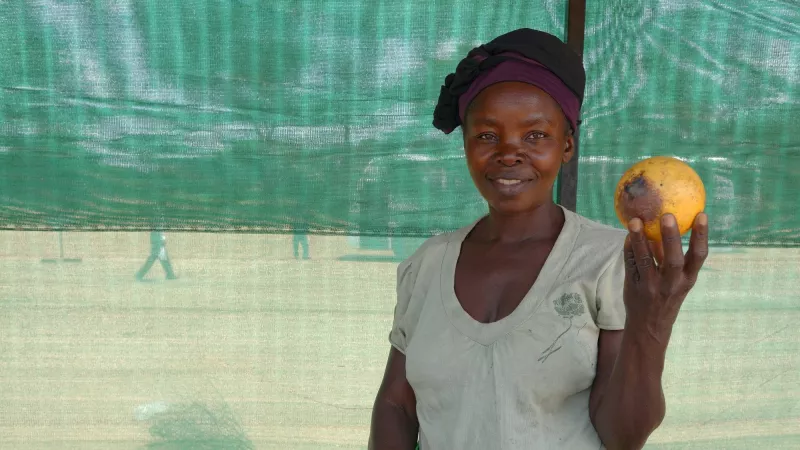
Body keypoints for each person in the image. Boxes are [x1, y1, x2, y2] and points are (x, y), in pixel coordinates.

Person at [368, 28, 709, 450]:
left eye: (535, 136)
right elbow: (396, 405)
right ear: (466, 146)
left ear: (567, 146)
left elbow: (624, 435)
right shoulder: (426, 266)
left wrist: (651, 324)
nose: (509, 153)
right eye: (488, 135)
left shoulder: (608, 262)